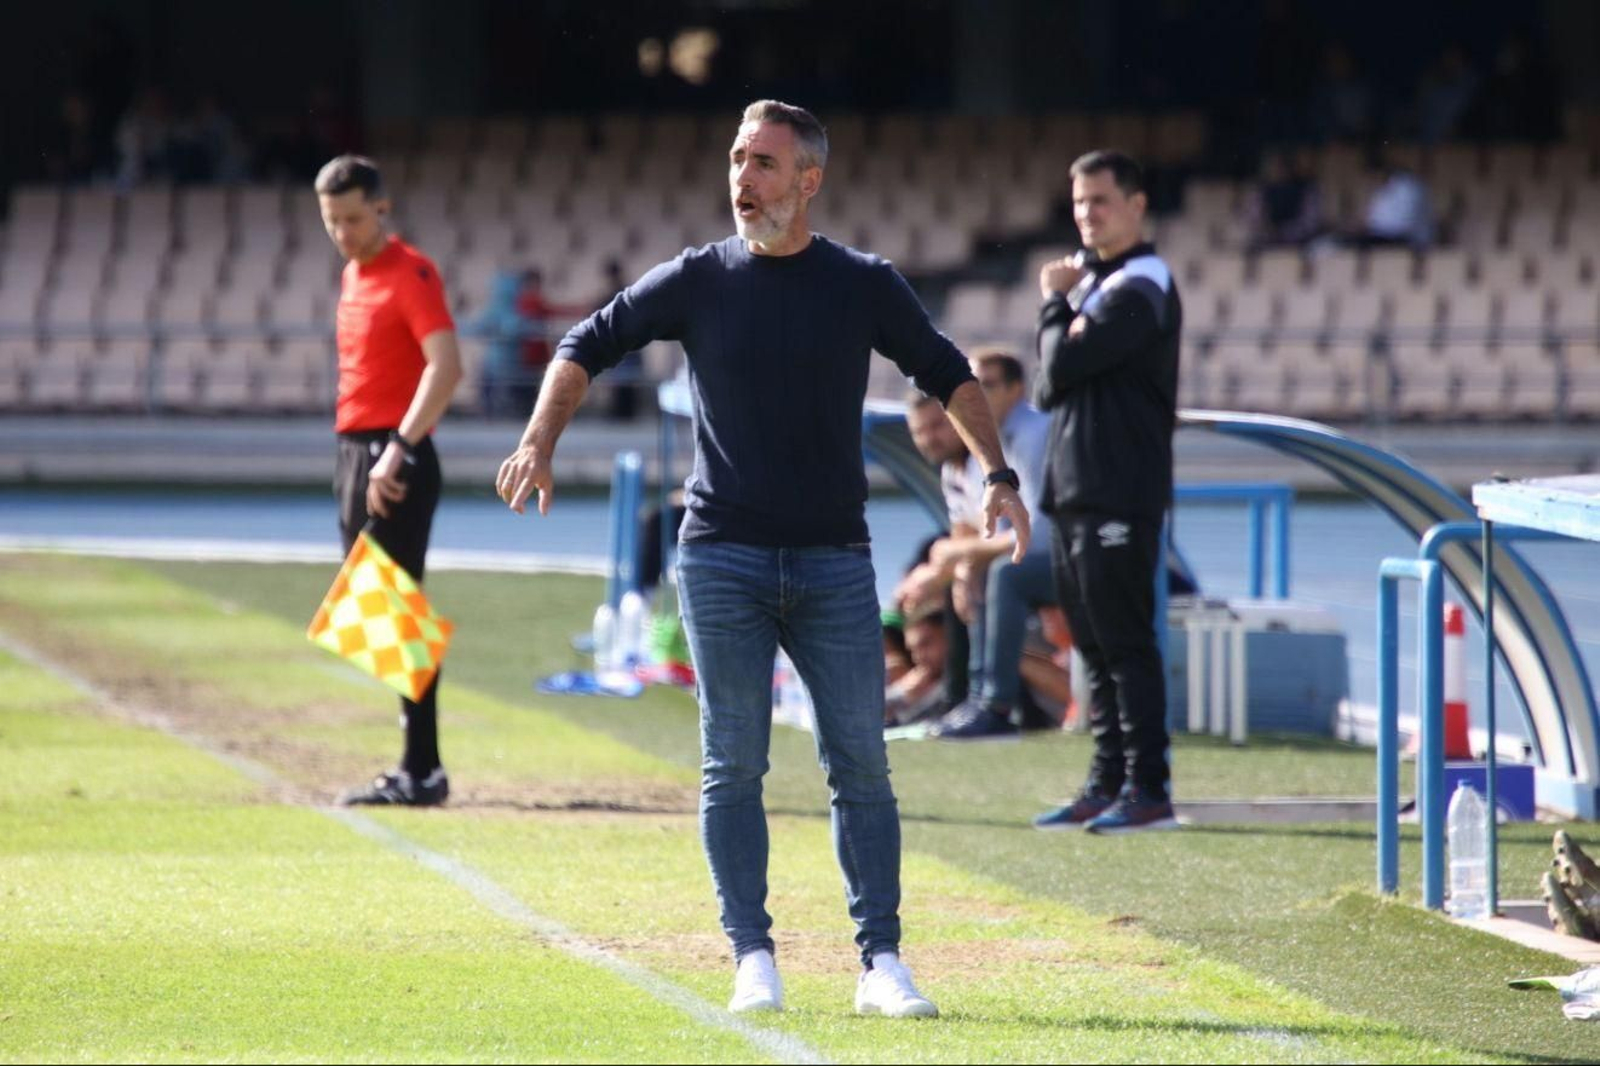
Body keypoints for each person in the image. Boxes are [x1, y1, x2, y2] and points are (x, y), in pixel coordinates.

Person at [496, 99, 1028, 1018]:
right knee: (731, 763)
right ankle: (752, 956)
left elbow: (947, 370)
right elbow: (587, 341)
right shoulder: (698, 279)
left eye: (765, 164)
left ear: (809, 180)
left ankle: (882, 965)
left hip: (833, 560)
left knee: (860, 762)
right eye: (738, 160)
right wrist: (541, 437)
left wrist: (1001, 476)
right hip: (721, 557)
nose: (744, 179)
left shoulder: (862, 282)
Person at [1031, 150, 1181, 835]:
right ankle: (1106, 780)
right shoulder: (1093, 286)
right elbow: (1046, 386)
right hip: (1075, 492)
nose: (1088, 214)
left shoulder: (1142, 282)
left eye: (1101, 201)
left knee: (1125, 644)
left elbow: (1060, 363)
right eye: (1080, 203)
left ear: (1137, 204)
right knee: (1090, 648)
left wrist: (1054, 305)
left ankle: (1149, 788)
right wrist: (1065, 312)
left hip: (1120, 490)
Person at [316, 154, 464, 806]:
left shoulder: (412, 272)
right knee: (375, 610)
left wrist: (397, 449)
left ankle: (421, 770)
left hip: (392, 454)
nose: (343, 232)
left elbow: (446, 367)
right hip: (356, 450)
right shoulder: (354, 275)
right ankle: (417, 763)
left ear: (381, 206)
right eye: (332, 221)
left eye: (353, 217)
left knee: (395, 611)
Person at [914, 349, 1057, 741]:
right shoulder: (995, 441)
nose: (981, 393)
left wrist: (961, 556)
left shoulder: (1031, 433)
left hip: (1087, 552)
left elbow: (1042, 532)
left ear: (1016, 390)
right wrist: (964, 566)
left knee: (1005, 575)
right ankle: (974, 700)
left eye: (990, 384)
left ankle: (995, 706)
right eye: (975, 385)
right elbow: (982, 531)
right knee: (982, 574)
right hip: (1054, 555)